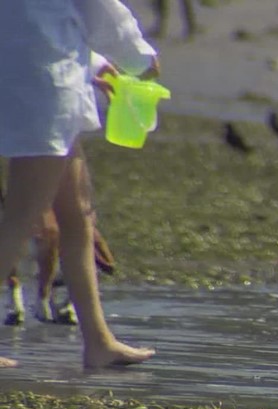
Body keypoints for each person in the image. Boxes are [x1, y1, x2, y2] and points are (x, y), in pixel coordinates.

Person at [0, 1, 159, 369]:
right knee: (21, 219)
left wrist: (96, 65)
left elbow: (39, 19)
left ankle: (99, 342)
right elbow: (101, 9)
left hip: (27, 82)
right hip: (48, 92)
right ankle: (99, 341)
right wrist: (139, 59)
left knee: (77, 218)